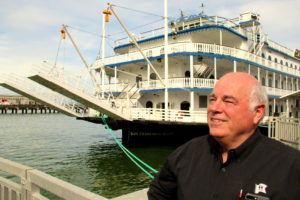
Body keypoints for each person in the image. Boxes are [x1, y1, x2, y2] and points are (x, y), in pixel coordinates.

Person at [148, 72, 300, 200]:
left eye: (228, 101)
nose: (214, 108)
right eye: (213, 100)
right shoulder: (186, 154)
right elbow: (158, 193)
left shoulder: (291, 167)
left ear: (257, 112)